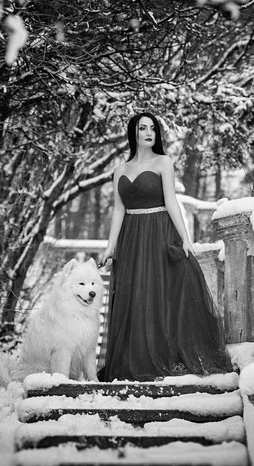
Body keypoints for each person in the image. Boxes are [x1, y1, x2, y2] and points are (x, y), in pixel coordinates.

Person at [98, 113, 232, 381]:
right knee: (133, 295)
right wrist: (110, 246)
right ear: (133, 133)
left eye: (152, 128)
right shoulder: (120, 171)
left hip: (159, 232)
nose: (149, 132)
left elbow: (171, 201)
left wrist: (185, 238)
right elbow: (118, 209)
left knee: (158, 294)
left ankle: (164, 355)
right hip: (131, 238)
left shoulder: (164, 162)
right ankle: (132, 360)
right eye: (142, 128)